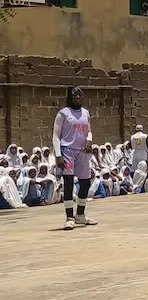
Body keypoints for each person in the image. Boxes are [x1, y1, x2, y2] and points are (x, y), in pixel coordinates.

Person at [53, 86, 97, 229]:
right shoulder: (63, 114)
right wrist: (58, 155)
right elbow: (56, 135)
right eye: (75, 95)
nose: (78, 97)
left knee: (85, 182)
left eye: (80, 94)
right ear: (69, 97)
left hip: (82, 152)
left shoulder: (85, 113)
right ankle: (69, 217)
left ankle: (80, 215)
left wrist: (89, 140)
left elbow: (89, 131)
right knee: (69, 182)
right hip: (67, 151)